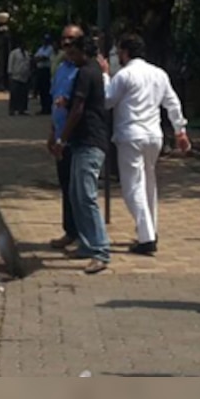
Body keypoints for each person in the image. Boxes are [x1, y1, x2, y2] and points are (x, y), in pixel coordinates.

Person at [98, 34, 192, 256]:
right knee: (149, 184)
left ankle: (146, 236)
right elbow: (172, 103)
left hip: (131, 134)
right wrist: (180, 130)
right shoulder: (158, 74)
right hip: (153, 135)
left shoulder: (124, 75)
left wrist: (104, 77)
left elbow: (107, 101)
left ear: (125, 52)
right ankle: (150, 229)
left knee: (132, 187)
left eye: (119, 52)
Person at [52, 33, 111, 275]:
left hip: (89, 140)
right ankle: (88, 244)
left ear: (83, 52)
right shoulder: (88, 71)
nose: (70, 57)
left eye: (73, 52)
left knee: (86, 196)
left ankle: (100, 249)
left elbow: (78, 109)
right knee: (76, 194)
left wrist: (61, 138)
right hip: (81, 142)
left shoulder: (87, 72)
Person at [47, 24, 83, 250]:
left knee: (79, 189)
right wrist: (53, 133)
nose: (67, 45)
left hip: (77, 137)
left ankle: (82, 234)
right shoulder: (61, 68)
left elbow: (79, 106)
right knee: (66, 185)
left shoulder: (84, 69)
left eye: (72, 41)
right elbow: (55, 102)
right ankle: (70, 231)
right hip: (60, 135)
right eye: (64, 40)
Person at [7, 38, 32, 116]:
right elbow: (10, 63)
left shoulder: (27, 54)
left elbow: (28, 64)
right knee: (14, 94)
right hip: (15, 76)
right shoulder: (14, 53)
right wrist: (10, 74)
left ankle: (23, 109)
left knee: (24, 94)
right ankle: (12, 109)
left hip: (25, 76)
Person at [34, 35, 54, 114]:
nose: (44, 41)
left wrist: (40, 58)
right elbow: (35, 58)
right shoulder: (41, 48)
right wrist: (39, 58)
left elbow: (45, 57)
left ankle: (48, 108)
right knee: (41, 90)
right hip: (40, 70)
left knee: (46, 90)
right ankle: (43, 108)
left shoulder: (50, 48)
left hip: (46, 70)